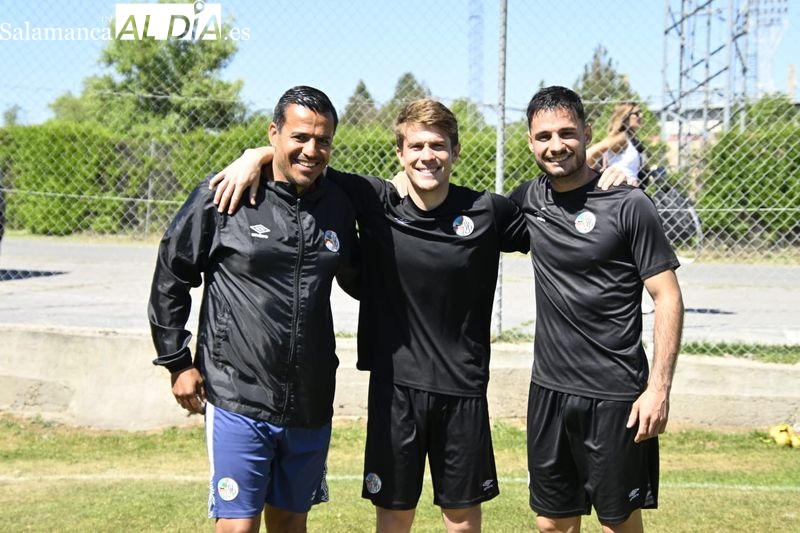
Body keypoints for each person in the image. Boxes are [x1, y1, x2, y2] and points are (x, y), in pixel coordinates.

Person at [212, 99, 532, 533]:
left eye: (438, 146)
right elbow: (307, 159)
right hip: (394, 388)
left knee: (461, 524)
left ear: (455, 152)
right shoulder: (376, 199)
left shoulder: (486, 210)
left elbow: (552, 221)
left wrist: (606, 180)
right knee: (394, 519)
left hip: (463, 390)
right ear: (400, 154)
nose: (427, 156)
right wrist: (256, 156)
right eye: (416, 146)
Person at [147, 85, 359, 533]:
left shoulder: (339, 204)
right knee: (237, 527)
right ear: (274, 134)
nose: (311, 149)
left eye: (323, 141)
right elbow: (172, 274)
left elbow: (362, 278)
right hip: (237, 393)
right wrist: (176, 361)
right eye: (300, 137)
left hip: (310, 399)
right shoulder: (224, 194)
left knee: (289, 524)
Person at [508, 86, 684, 533]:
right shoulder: (527, 199)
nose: (555, 145)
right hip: (548, 389)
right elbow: (454, 219)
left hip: (616, 393)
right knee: (552, 524)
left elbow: (667, 296)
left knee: (617, 524)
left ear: (587, 133)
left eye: (567, 133)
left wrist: (658, 389)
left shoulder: (628, 203)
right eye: (543, 136)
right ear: (530, 141)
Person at [586, 101, 646, 187]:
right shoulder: (620, 137)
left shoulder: (631, 138)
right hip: (619, 188)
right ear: (625, 117)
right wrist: (598, 176)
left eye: (640, 112)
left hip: (629, 189)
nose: (641, 115)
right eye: (636, 113)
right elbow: (589, 154)